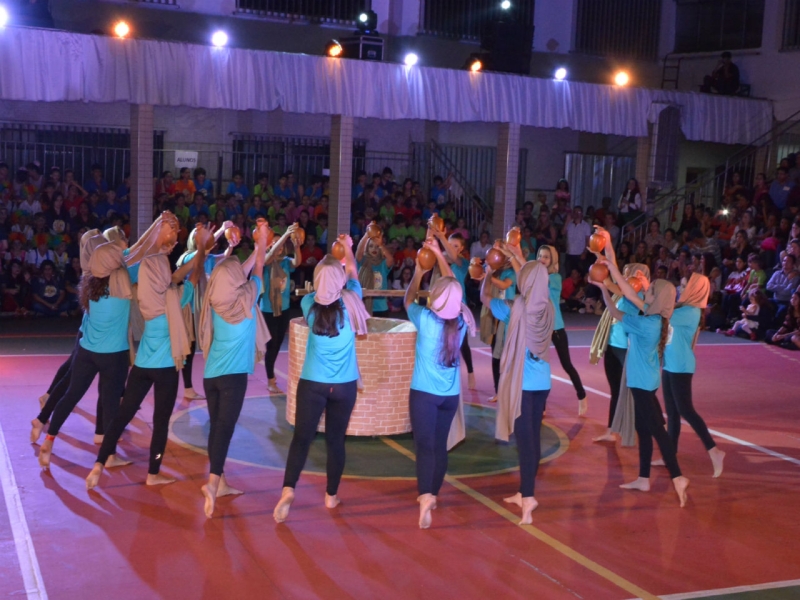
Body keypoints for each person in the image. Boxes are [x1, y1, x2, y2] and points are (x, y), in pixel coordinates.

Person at [35, 217, 170, 467]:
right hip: (113, 355)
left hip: (87, 351)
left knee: (71, 395)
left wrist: (156, 228)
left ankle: (50, 437)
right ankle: (109, 457)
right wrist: (159, 228)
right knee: (110, 404)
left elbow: (134, 251)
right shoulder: (122, 279)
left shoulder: (89, 279)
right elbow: (143, 251)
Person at [85, 225, 210, 489]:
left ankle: (98, 464)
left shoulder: (144, 296)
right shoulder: (175, 298)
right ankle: (153, 473)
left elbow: (174, 276)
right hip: (166, 369)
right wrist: (201, 249)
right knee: (160, 423)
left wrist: (182, 251)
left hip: (142, 366)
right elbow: (193, 276)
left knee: (122, 416)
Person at [273, 237, 369, 523]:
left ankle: (288, 489)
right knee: (335, 441)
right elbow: (352, 273)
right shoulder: (351, 301)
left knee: (301, 439)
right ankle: (331, 495)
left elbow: (325, 289)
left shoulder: (308, 305)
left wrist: (331, 271)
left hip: (312, 384)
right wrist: (347, 249)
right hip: (344, 386)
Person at [590, 263, 690, 507]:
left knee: (657, 431)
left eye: (651, 291)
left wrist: (604, 289)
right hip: (646, 381)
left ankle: (678, 476)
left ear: (657, 299)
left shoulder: (645, 322)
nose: (646, 293)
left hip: (642, 385)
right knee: (643, 430)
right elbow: (633, 295)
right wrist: (612, 277)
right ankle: (643, 478)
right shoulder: (655, 316)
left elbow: (615, 312)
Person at [196, 221, 271, 518]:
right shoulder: (245, 300)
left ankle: (221, 482)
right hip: (232, 378)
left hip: (210, 376)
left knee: (217, 428)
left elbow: (238, 273)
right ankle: (213, 483)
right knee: (224, 431)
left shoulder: (216, 298)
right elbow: (258, 270)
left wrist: (256, 248)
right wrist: (261, 243)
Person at [404, 241, 475, 529]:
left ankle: (425, 497)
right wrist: (439, 255)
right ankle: (433, 492)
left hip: (424, 395)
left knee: (424, 447)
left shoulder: (425, 319)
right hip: (449, 397)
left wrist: (419, 272)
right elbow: (454, 286)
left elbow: (408, 299)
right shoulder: (462, 322)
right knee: (439, 446)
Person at [481, 259, 553, 524]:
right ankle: (524, 490)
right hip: (542, 382)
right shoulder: (549, 307)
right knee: (532, 438)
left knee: (525, 443)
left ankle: (529, 497)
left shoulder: (516, 307)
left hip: (523, 384)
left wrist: (488, 275)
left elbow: (485, 298)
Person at [653, 273, 725, 478]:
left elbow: (660, 312)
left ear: (695, 290)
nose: (680, 289)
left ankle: (714, 450)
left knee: (686, 409)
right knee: (672, 413)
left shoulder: (690, 311)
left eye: (684, 286)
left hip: (681, 366)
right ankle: (670, 455)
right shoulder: (681, 309)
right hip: (671, 364)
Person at [536, 245, 587, 413]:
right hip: (541, 328)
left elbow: (543, 280)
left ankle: (581, 395)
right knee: (541, 366)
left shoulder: (555, 277)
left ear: (553, 260)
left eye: (546, 257)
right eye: (540, 256)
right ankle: (541, 405)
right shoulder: (536, 276)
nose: (542, 259)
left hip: (556, 327)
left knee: (566, 364)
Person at [433, 229, 476, 389]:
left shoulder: (462, 264)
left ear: (461, 249)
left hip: (458, 308)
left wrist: (441, 237)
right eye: (449, 245)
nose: (451, 248)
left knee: (462, 343)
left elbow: (453, 256)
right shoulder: (440, 261)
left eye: (455, 246)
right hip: (441, 307)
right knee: (441, 339)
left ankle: (470, 372)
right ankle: (441, 371)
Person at [261, 224, 301, 394]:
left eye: (281, 243)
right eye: (275, 243)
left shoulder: (285, 261)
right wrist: (284, 235)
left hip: (284, 309)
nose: (279, 246)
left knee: (278, 344)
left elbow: (297, 262)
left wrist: (296, 247)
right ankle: (271, 380)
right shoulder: (265, 261)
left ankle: (271, 376)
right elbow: (268, 258)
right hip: (269, 310)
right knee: (271, 346)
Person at [355, 232, 394, 316]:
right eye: (371, 246)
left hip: (381, 308)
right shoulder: (362, 262)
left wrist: (381, 245)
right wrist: (367, 235)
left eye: (377, 247)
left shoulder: (383, 263)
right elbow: (358, 253)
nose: (374, 249)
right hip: (364, 307)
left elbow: (390, 260)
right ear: (366, 248)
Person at [561, 206, 591, 277]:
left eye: (579, 212)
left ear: (582, 214)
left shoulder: (586, 225)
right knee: (568, 274)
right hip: (569, 253)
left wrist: (585, 252)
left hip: (579, 254)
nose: (577, 214)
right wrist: (567, 221)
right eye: (575, 212)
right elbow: (562, 233)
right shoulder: (569, 224)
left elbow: (588, 240)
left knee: (580, 274)